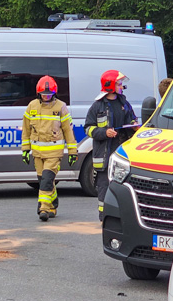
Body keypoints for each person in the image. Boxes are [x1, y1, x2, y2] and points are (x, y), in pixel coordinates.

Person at [21, 76, 78, 222]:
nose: (46, 96)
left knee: (46, 179)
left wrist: (72, 151)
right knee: (43, 181)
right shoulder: (32, 106)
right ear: (38, 93)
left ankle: (44, 208)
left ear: (54, 93)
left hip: (54, 152)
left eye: (49, 94)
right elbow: (26, 130)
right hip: (37, 152)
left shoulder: (60, 107)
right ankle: (53, 203)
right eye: (43, 94)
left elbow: (68, 130)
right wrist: (25, 149)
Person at [85, 70, 139, 221]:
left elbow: (133, 119)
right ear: (110, 85)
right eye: (119, 83)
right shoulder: (97, 106)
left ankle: (122, 215)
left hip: (122, 150)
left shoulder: (124, 103)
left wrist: (135, 125)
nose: (121, 86)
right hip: (104, 154)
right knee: (104, 186)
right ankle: (104, 216)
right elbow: (88, 128)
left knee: (122, 184)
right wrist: (104, 132)